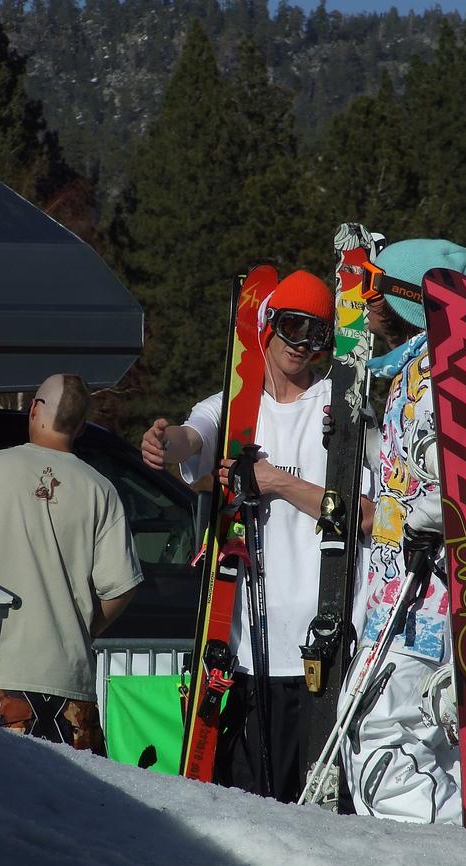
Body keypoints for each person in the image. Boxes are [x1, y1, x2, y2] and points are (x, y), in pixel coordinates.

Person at [141, 269, 373, 802]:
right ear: (268, 326)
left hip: (323, 640)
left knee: (309, 802)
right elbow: (193, 441)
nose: (302, 346)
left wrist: (276, 482)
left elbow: (365, 515)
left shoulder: (341, 407)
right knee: (247, 801)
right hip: (244, 640)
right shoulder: (235, 400)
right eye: (292, 327)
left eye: (316, 334)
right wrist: (164, 442)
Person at [339, 238, 466, 824]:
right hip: (394, 596)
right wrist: (362, 432)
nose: (366, 298)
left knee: (380, 755)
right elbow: (406, 473)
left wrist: (410, 520)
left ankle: (463, 862)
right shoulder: (409, 374)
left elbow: (458, 490)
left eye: (377, 285)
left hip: (421, 605)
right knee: (410, 749)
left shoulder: (441, 378)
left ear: (410, 298)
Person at [0, 374, 143, 753]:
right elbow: (122, 587)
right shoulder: (100, 489)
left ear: (34, 409)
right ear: (82, 426)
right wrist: (80, 628)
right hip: (69, 686)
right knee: (76, 808)